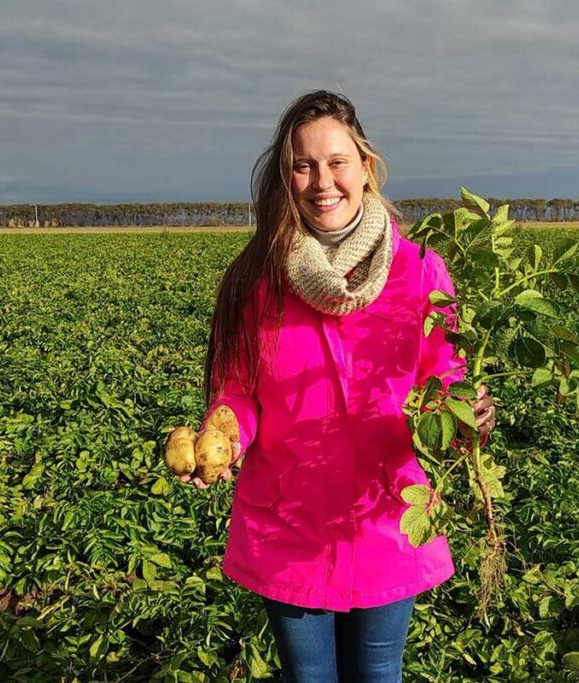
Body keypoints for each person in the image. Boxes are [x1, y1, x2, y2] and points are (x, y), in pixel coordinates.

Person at [167, 90, 496, 682]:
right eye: (303, 164)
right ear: (285, 177)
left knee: (377, 672)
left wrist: (466, 414)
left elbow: (443, 376)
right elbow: (238, 392)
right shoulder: (256, 280)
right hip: (288, 520)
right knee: (309, 676)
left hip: (387, 515)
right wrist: (224, 436)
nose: (323, 181)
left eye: (337, 162)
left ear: (365, 167)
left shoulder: (421, 270)